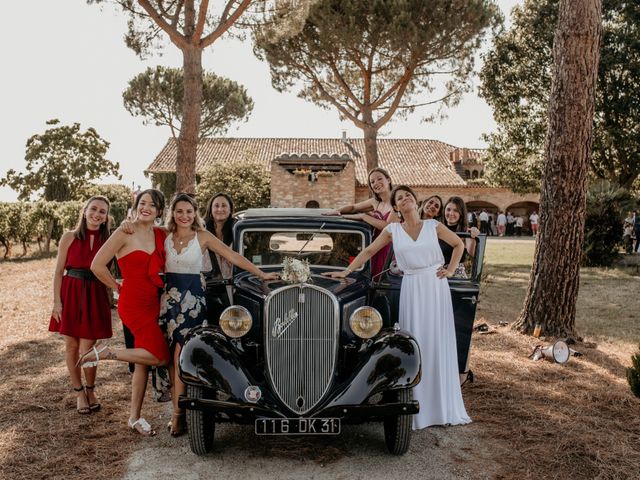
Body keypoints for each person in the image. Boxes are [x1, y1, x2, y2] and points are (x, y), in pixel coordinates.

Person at [323, 185, 471, 429]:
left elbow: (458, 245)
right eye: (400, 198)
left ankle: (441, 406)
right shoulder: (393, 230)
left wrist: (451, 269)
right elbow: (369, 250)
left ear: (415, 200)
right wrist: (346, 271)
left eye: (408, 195)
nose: (405, 199)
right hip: (412, 287)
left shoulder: (433, 226)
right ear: (396, 207)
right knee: (416, 342)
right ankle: (414, 405)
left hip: (435, 287)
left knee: (436, 340)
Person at [157, 193, 279, 436]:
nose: (184, 216)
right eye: (179, 211)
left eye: (189, 212)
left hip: (192, 300)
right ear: (173, 213)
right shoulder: (163, 235)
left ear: (195, 214)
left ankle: (178, 415)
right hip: (168, 301)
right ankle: (176, 407)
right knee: (169, 357)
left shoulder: (202, 236)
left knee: (183, 352)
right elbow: (139, 236)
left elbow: (231, 255)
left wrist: (261, 274)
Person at [84, 189, 171, 437]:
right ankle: (107, 352)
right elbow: (96, 265)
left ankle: (134, 417)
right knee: (160, 356)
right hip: (132, 302)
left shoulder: (160, 233)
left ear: (159, 211)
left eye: (152, 205)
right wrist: (117, 286)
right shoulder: (125, 231)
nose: (146, 208)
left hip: (155, 302)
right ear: (135, 206)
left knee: (142, 361)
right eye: (142, 203)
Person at [50, 196, 113, 415]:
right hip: (71, 292)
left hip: (95, 294)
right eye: (93, 209)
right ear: (84, 210)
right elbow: (58, 272)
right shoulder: (69, 237)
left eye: (102, 212)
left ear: (106, 217)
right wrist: (57, 303)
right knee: (72, 346)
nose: (97, 214)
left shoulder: (110, 239)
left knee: (88, 348)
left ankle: (91, 389)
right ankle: (79, 392)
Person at [323, 168, 399, 278]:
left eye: (379, 179)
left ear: (388, 180)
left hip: (389, 247)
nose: (376, 183)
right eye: (372, 182)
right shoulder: (375, 202)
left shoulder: (396, 202)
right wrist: (337, 210)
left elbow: (387, 227)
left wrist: (364, 216)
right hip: (374, 245)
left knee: (384, 279)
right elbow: (353, 207)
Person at [202, 193, 235, 324]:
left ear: (231, 209)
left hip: (231, 286)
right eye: (216, 206)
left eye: (224, 206)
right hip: (208, 285)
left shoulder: (236, 230)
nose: (220, 209)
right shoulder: (201, 229)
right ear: (210, 209)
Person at [441, 197, 479, 278]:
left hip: (455, 274)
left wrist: (473, 236)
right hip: (437, 273)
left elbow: (472, 252)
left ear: (461, 213)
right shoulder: (438, 229)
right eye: (448, 209)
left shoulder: (465, 232)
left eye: (456, 210)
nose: (451, 213)